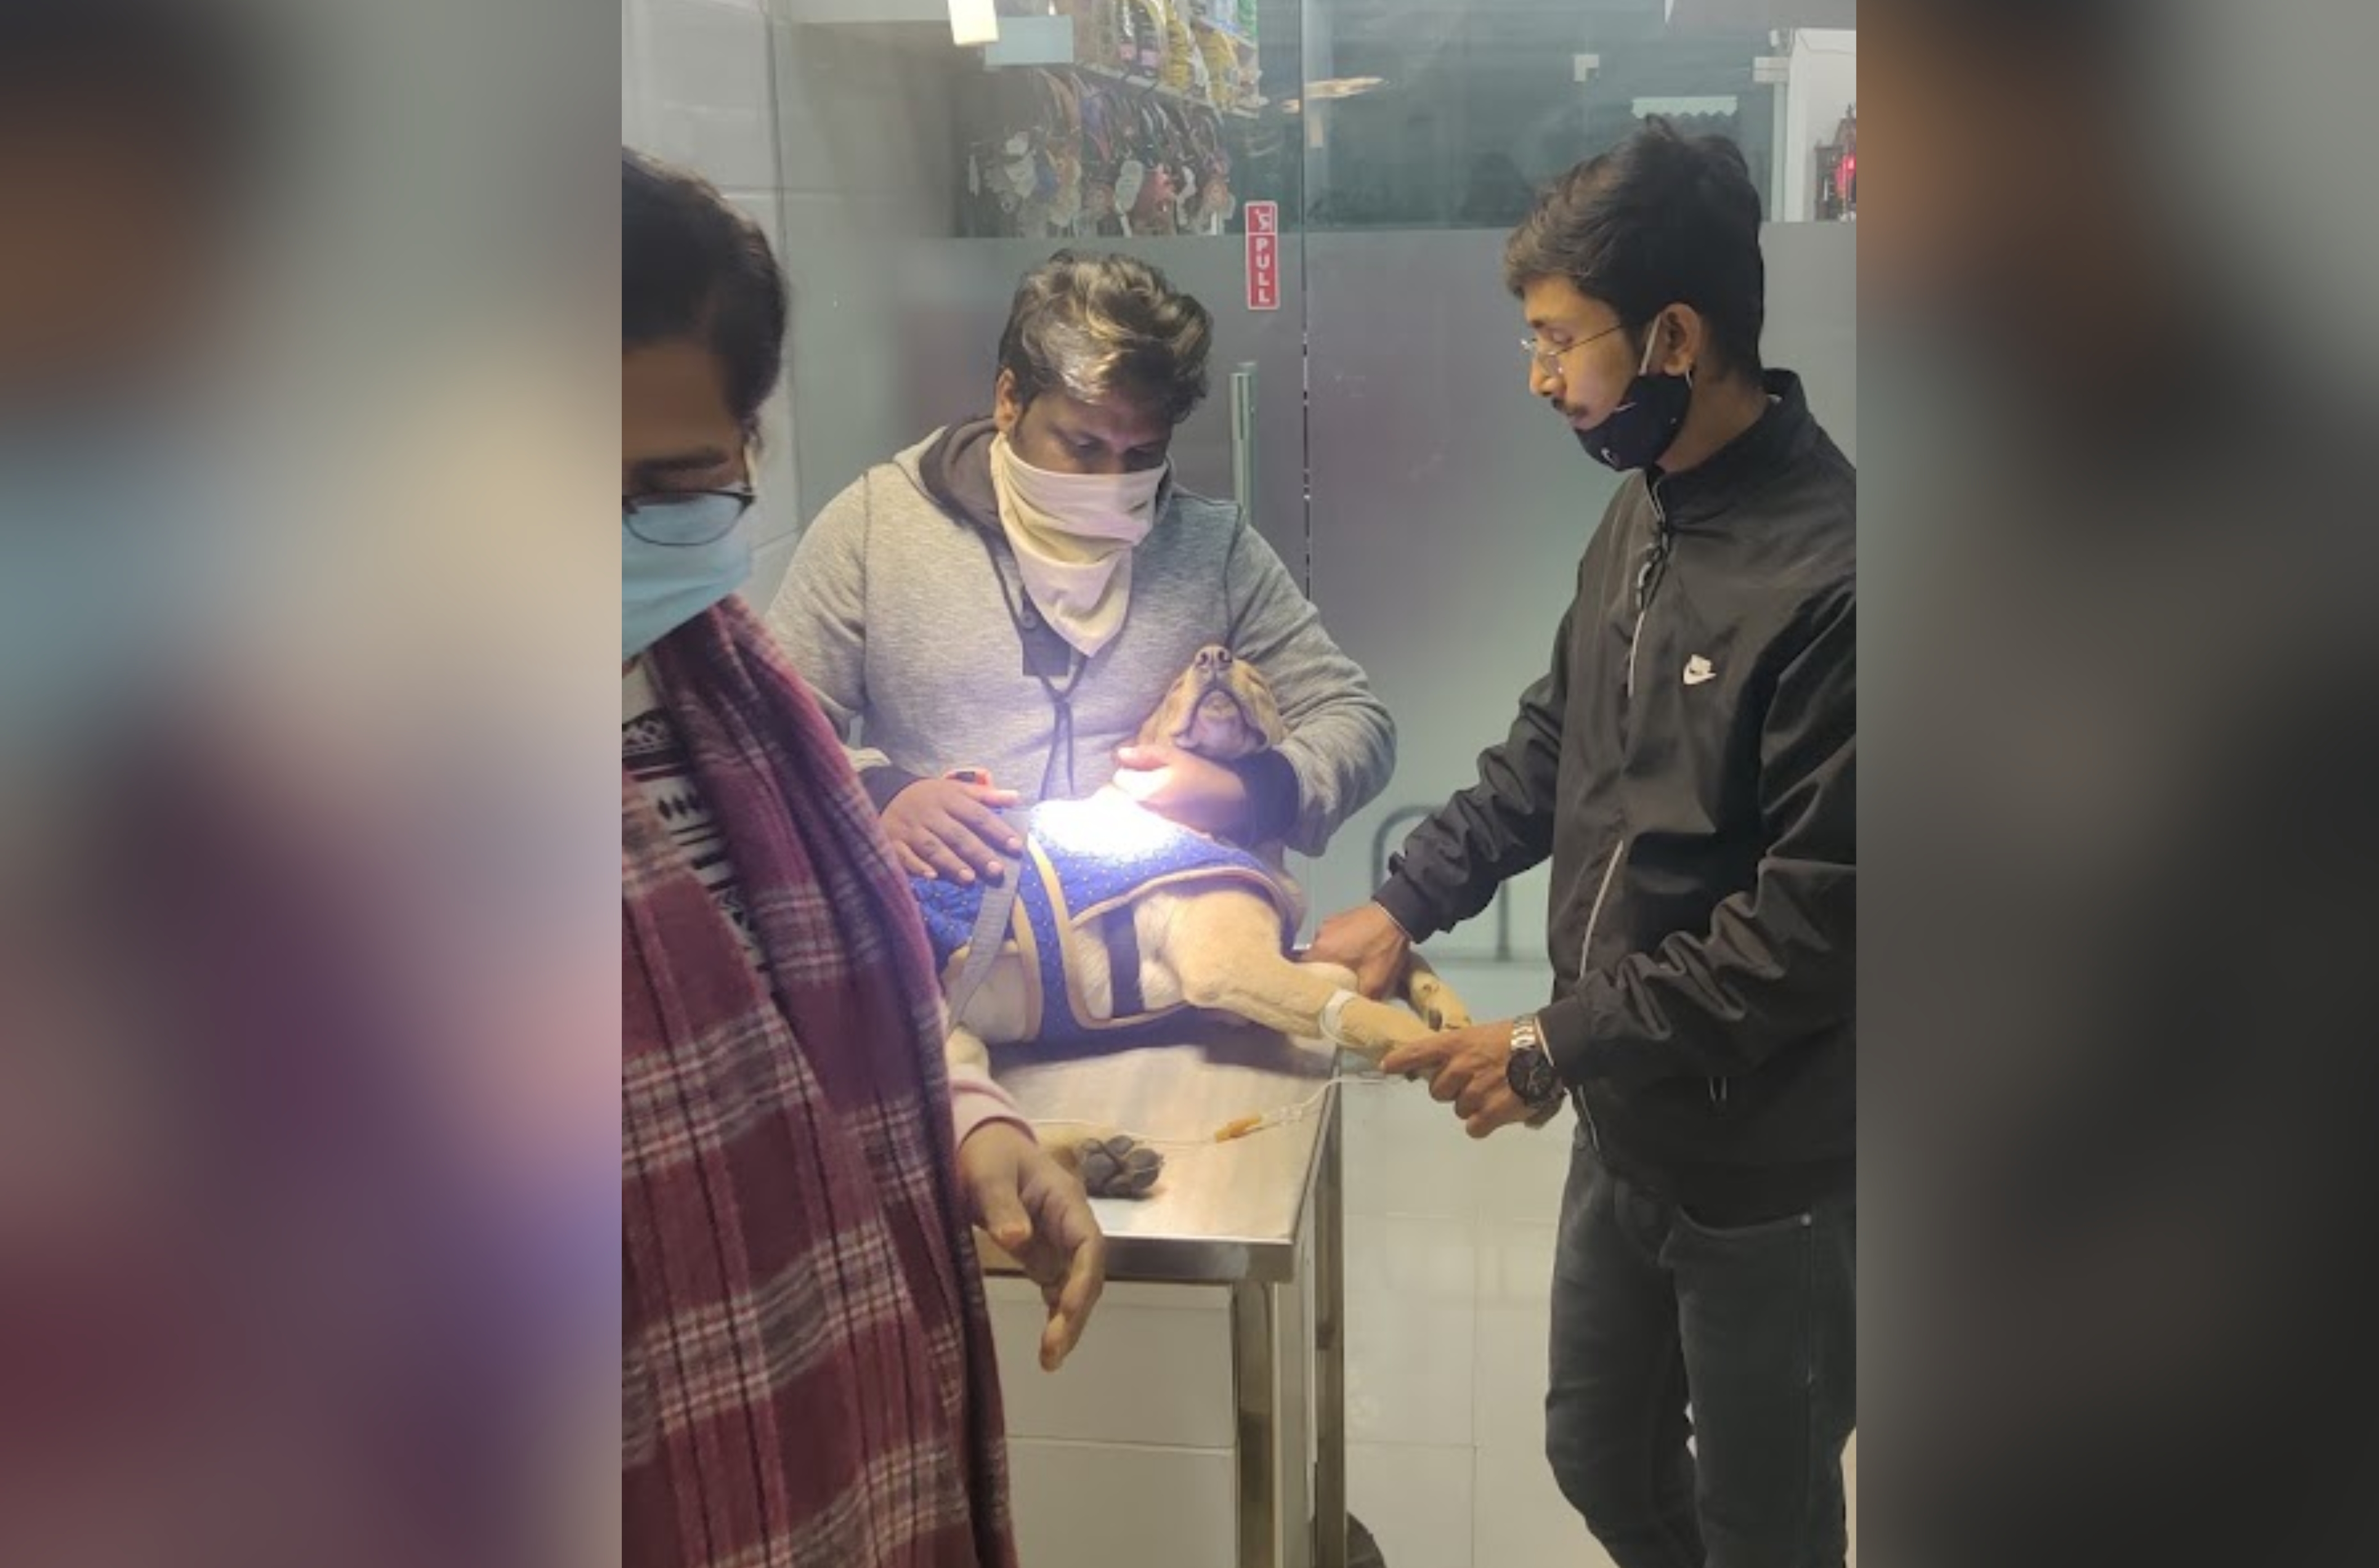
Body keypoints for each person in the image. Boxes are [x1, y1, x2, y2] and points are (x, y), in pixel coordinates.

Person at [1308, 121, 1856, 1567]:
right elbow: (1558, 743)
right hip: (1632, 1123)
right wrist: (1407, 899)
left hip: (1772, 1174)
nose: (1539, 377)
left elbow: (1807, 933)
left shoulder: (1838, 580)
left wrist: (1551, 1043)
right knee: (1598, 1453)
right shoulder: (1646, 509)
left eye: (1561, 341)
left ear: (1674, 336)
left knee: (1768, 1525)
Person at [620, 149, 1105, 1568]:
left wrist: (971, 1122)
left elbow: (805, 988)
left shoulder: (724, 680)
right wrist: (897, 786)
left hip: (843, 1437)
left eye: (669, 482)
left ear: (744, 453)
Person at [766, 251, 1392, 883]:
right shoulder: (878, 527)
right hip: (946, 919)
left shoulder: (1213, 551)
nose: (1112, 481)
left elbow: (1356, 721)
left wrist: (1247, 794)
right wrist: (881, 796)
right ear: (1010, 401)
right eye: (1084, 446)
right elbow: (766, 728)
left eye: (1141, 453)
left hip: (1154, 924)